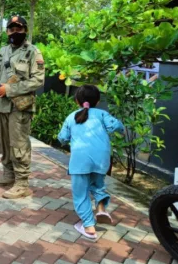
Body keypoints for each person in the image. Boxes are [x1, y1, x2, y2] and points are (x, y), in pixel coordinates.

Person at [57, 85, 125, 240]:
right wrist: (121, 130)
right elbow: (116, 126)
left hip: (80, 161)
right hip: (101, 159)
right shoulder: (102, 114)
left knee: (80, 194)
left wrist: (66, 140)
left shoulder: (72, 117)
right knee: (98, 185)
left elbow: (62, 137)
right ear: (98, 101)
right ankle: (101, 208)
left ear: (76, 101)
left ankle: (88, 226)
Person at [0, 16, 45, 199]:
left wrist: (9, 89)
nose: (15, 32)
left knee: (19, 143)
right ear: (7, 31)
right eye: (11, 29)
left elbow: (38, 80)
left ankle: (22, 183)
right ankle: (8, 175)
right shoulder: (2, 51)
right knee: (4, 142)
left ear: (25, 30)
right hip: (2, 104)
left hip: (20, 107)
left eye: (18, 28)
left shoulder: (32, 52)